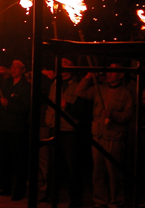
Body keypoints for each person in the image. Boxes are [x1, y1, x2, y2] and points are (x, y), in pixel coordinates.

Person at [76, 63, 134, 208]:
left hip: (114, 137)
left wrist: (113, 115)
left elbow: (128, 115)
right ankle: (100, 200)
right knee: (98, 171)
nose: (109, 73)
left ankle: (116, 201)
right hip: (98, 136)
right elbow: (80, 92)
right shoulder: (99, 89)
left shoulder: (126, 93)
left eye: (114, 71)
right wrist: (89, 76)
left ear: (121, 75)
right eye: (108, 70)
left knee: (114, 173)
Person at [40, 58, 92, 207]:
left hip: (69, 132)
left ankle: (75, 199)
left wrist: (67, 105)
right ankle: (51, 194)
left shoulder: (77, 86)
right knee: (53, 165)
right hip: (54, 128)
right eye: (61, 64)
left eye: (66, 64)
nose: (62, 66)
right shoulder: (55, 83)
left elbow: (84, 112)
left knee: (72, 168)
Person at [0, 60, 31, 201]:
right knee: (4, 159)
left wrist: (9, 104)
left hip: (17, 129)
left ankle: (19, 191)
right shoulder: (6, 83)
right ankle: (4, 187)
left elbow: (25, 108)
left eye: (17, 67)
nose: (13, 70)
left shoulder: (26, 87)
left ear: (23, 70)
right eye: (12, 67)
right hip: (3, 127)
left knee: (18, 161)